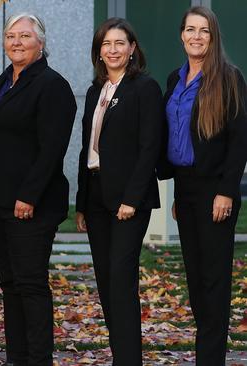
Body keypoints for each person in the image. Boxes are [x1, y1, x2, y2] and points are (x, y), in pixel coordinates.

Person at [0, 13, 76, 365]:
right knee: (10, 285)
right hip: (0, 201)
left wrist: (28, 196)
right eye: (10, 36)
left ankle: (38, 359)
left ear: (41, 43)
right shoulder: (7, 79)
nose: (16, 42)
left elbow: (52, 149)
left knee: (31, 285)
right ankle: (16, 358)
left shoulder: (52, 85)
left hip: (30, 205)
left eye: (24, 36)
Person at [158, 6, 247, 365]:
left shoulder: (229, 78)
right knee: (195, 279)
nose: (196, 36)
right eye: (191, 29)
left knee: (213, 280)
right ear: (182, 34)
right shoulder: (173, 79)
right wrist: (178, 192)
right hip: (187, 189)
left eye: (204, 31)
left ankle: (210, 360)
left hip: (216, 191)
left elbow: (240, 140)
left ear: (213, 37)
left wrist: (227, 191)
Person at [74, 18, 163, 366]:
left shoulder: (145, 88)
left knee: (121, 279)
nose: (112, 49)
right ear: (99, 52)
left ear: (132, 49)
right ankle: (121, 356)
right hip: (95, 197)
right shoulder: (96, 90)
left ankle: (129, 361)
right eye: (106, 44)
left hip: (128, 199)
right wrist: (81, 203)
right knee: (105, 280)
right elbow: (87, 149)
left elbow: (149, 147)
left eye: (119, 43)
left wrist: (132, 197)